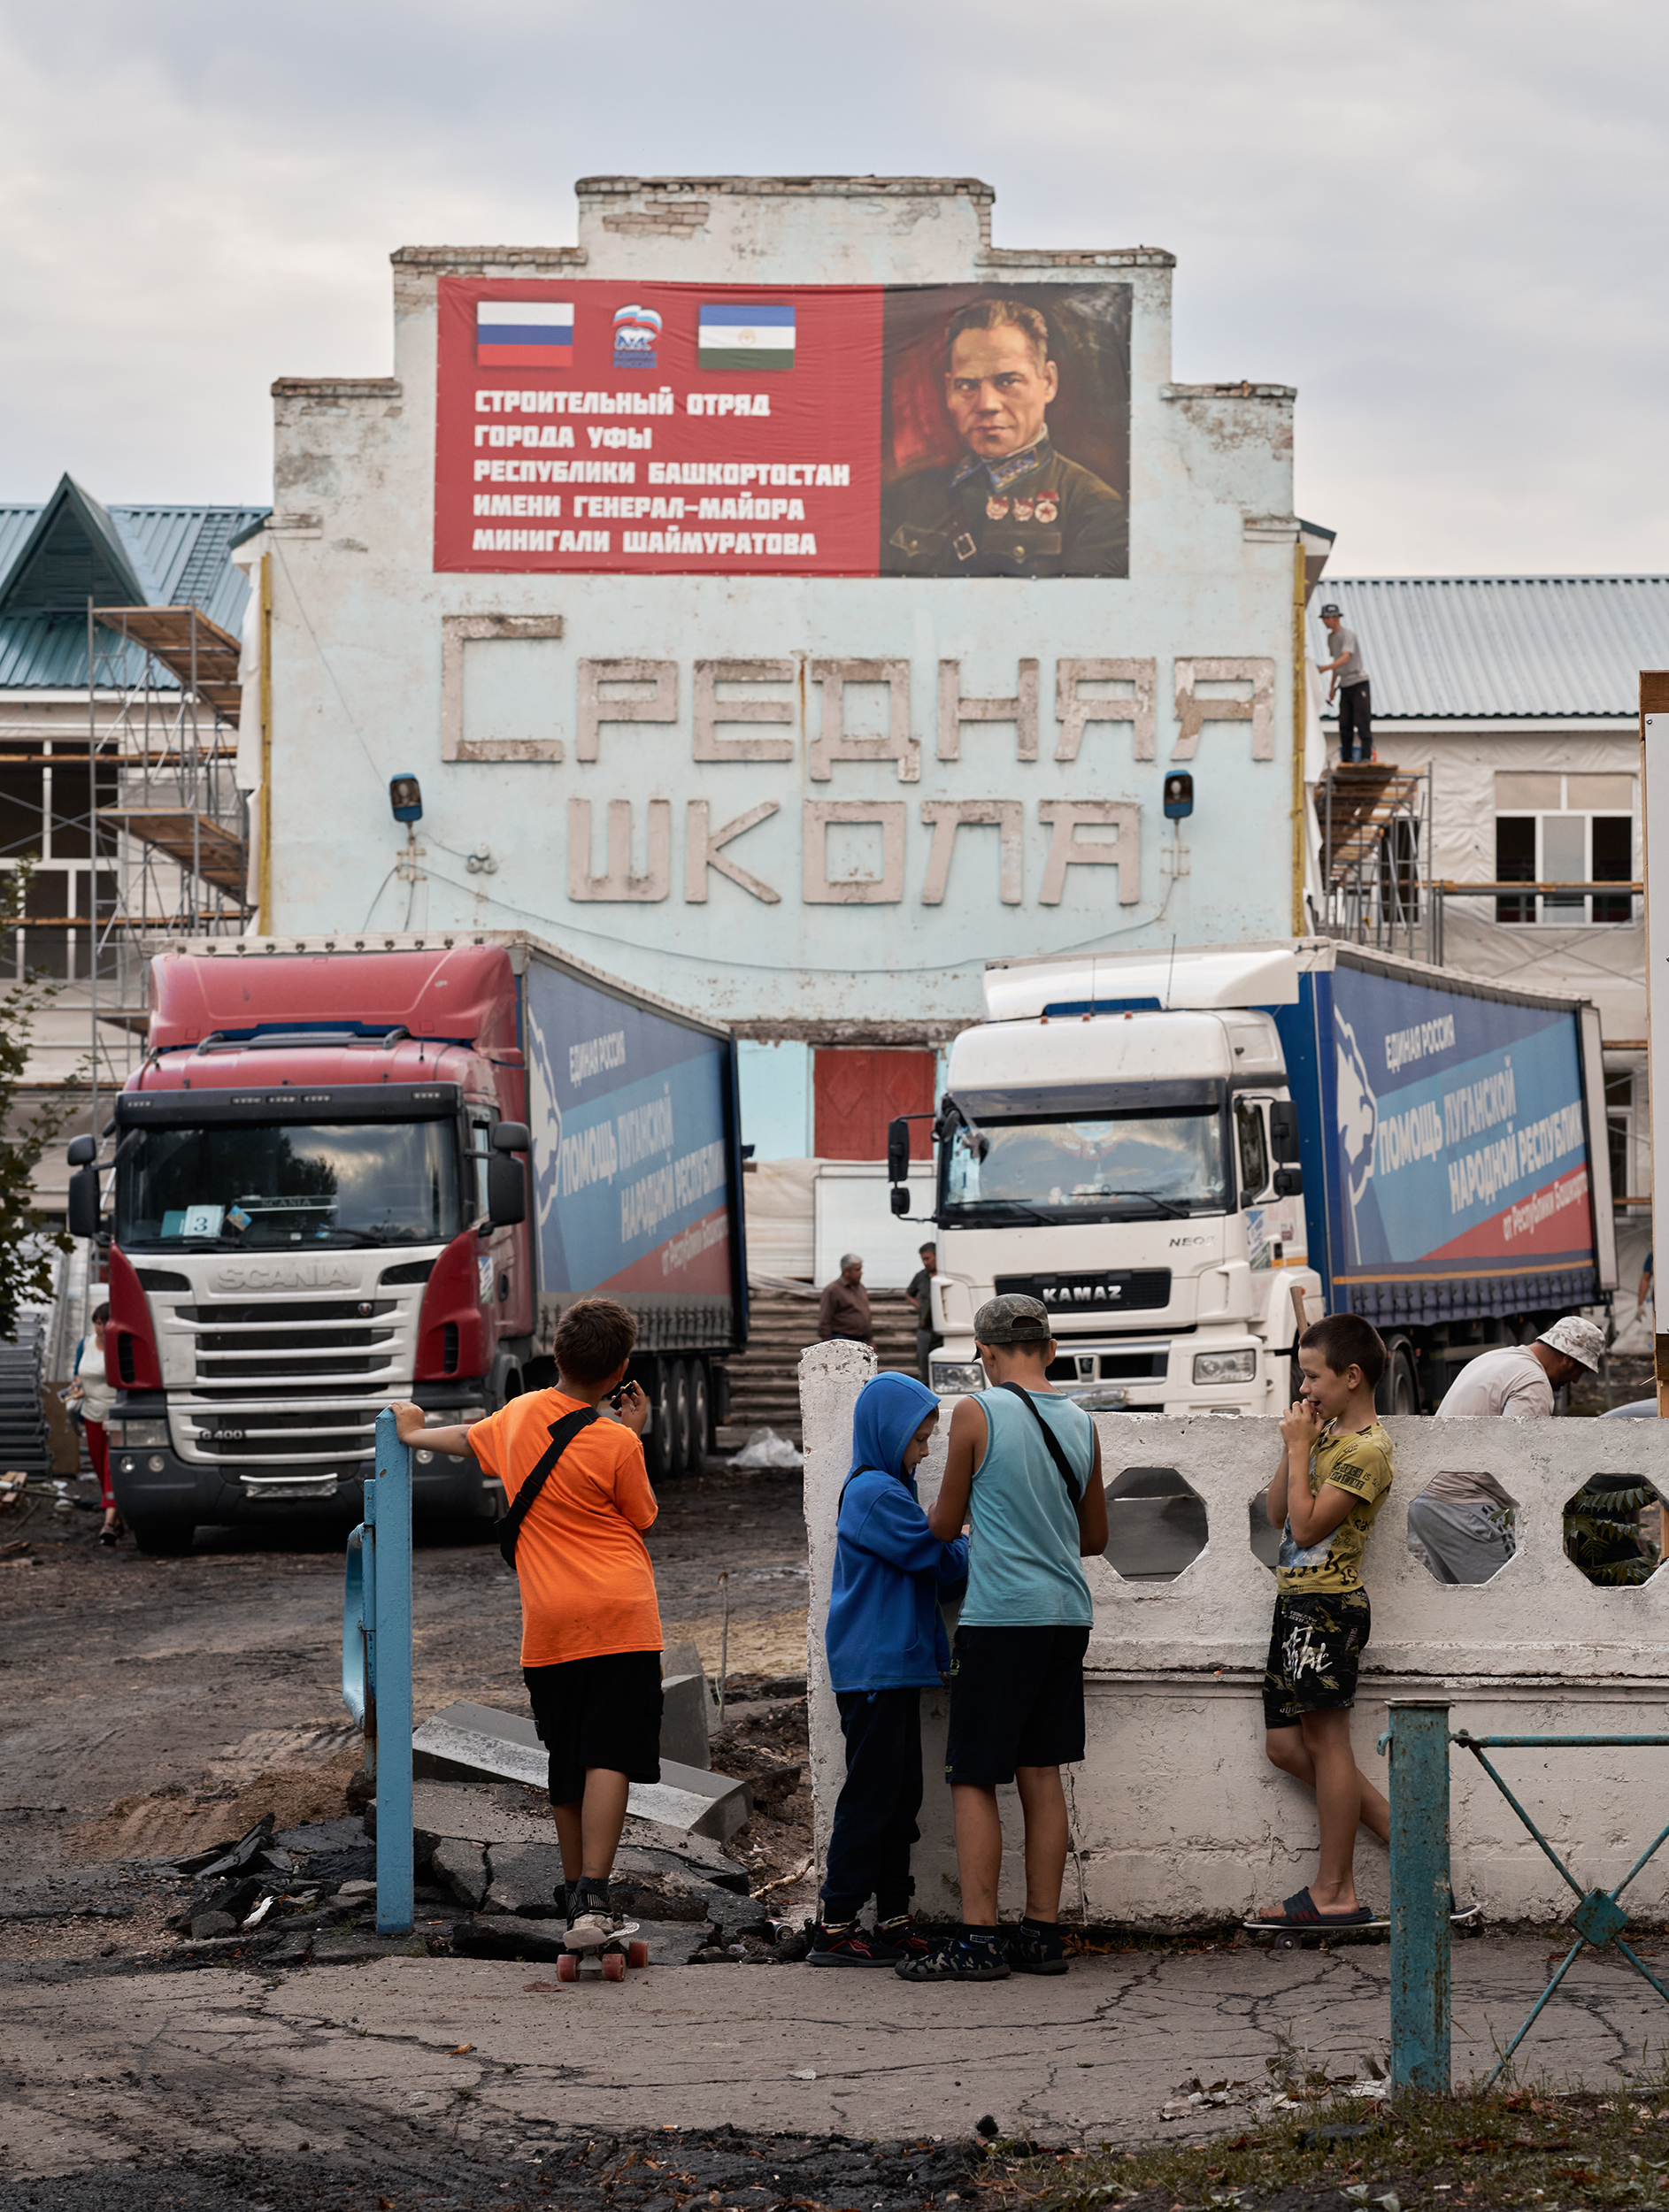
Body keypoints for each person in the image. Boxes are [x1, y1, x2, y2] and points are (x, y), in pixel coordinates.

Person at [392, 1296, 660, 1948]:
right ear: (620, 1367)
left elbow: (467, 1439)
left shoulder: (515, 1417)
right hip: (620, 1618)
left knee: (567, 1762)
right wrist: (634, 1431)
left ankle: (579, 1905)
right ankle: (597, 1896)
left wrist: (409, 1432)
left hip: (549, 1626)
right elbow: (643, 1515)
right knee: (610, 1755)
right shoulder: (616, 1441)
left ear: (557, 1356)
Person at [898, 1294, 1108, 1983]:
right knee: (1041, 1772)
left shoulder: (975, 1413)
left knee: (973, 1775)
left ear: (984, 1355)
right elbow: (1096, 1537)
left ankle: (979, 1938)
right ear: (1049, 1349)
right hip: (1066, 1616)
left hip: (1002, 1617)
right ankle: (1041, 1933)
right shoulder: (1081, 1421)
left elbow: (942, 1523)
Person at [811, 1371, 969, 1966]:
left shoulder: (891, 1490)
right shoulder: (873, 1492)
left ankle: (894, 1916)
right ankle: (837, 1923)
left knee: (900, 1796)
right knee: (874, 1797)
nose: (926, 1451)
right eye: (920, 1438)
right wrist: (958, 1540)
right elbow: (939, 1556)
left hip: (894, 1669)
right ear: (888, 1432)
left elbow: (940, 1555)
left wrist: (946, 1539)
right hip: (875, 1671)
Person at [1254, 1314, 1394, 1931]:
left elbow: (1310, 1529)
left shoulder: (1368, 1450)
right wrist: (1299, 1444)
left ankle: (1334, 1891)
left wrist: (1301, 1445)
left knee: (1328, 1746)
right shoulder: (1327, 1437)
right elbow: (1277, 1510)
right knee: (1286, 1746)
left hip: (1329, 1609)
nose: (1304, 1389)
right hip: (1295, 1605)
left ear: (1353, 1376)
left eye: (1313, 1376)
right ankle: (1411, 1843)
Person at [881, 299, 1127, 578]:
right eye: (967, 385)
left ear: (1048, 382)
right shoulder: (907, 498)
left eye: (1008, 381)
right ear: (949, 391)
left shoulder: (1093, 508)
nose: (987, 404)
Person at [69, 1303, 119, 1547]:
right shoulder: (85, 1344)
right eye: (98, 1323)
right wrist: (77, 1387)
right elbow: (78, 1374)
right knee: (99, 1465)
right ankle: (116, 1513)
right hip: (92, 1414)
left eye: (105, 1323)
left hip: (115, 1414)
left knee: (112, 1466)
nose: (101, 1328)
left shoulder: (120, 1345)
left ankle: (109, 1522)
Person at [1316, 603, 1373, 764]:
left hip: (1358, 682)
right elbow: (1337, 662)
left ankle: (1365, 757)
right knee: (1345, 723)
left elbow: (1345, 658)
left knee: (1362, 721)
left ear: (1337, 618)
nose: (1327, 622)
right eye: (1325, 619)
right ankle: (1347, 759)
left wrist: (1324, 668)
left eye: (1330, 618)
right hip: (1344, 684)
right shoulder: (1331, 638)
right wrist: (1332, 687)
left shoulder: (1348, 635)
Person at [819, 1254, 873, 1346]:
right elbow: (825, 1318)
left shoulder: (860, 1288)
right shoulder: (833, 1290)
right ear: (846, 1271)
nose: (861, 1273)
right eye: (857, 1270)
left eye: (861, 1269)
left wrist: (870, 1340)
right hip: (842, 1339)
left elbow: (865, 1314)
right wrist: (828, 1343)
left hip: (861, 1339)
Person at [905, 1242, 941, 1382]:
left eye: (927, 1258)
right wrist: (919, 1306)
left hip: (943, 1330)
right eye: (923, 1259)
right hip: (925, 1328)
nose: (925, 1263)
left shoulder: (948, 1274)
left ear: (937, 1256)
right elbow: (908, 1294)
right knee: (924, 1366)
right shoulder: (920, 1276)